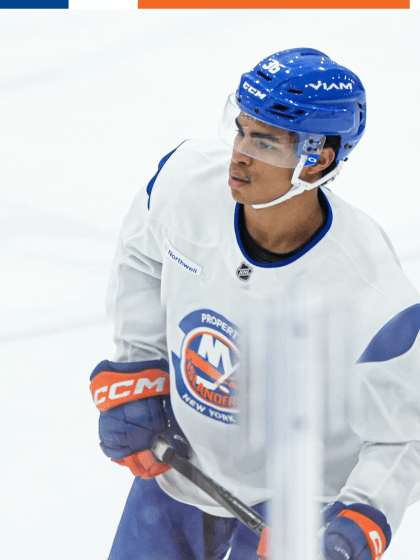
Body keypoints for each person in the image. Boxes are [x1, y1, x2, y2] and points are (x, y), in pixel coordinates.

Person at [90, 48, 420, 560]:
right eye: (240, 129)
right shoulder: (186, 185)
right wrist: (138, 360)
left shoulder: (374, 294)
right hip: (182, 467)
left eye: (265, 142)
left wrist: (358, 520)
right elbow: (142, 253)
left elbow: (403, 437)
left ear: (319, 159)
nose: (239, 155)